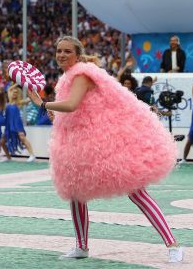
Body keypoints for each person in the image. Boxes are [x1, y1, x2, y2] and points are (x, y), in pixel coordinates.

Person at [28, 36, 182, 263]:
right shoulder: (69, 77)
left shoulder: (81, 74)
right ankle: (81, 246)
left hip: (103, 144)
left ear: (77, 55)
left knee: (136, 191)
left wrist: (42, 103)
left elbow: (72, 105)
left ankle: (173, 245)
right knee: (76, 194)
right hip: (82, 144)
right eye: (59, 51)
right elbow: (75, 111)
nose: (61, 55)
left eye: (67, 51)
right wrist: (55, 113)